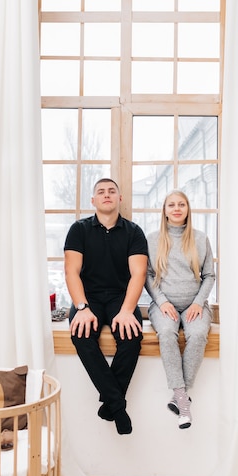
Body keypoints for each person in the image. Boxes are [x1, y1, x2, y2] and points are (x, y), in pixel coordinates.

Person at [64, 178, 148, 435]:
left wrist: (125, 311)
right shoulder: (79, 229)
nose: (107, 194)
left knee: (131, 336)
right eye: (101, 191)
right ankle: (117, 406)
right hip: (87, 297)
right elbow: (71, 271)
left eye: (112, 190)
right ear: (93, 200)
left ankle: (110, 404)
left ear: (120, 198)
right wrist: (81, 307)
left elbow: (139, 274)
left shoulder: (134, 232)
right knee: (81, 333)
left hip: (120, 298)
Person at [145, 190, 215, 429]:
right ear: (164, 210)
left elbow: (209, 275)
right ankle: (183, 402)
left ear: (187, 209)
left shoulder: (200, 238)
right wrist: (162, 302)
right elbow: (147, 275)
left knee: (196, 335)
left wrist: (198, 302)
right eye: (171, 205)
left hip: (195, 305)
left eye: (181, 204)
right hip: (163, 305)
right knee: (166, 333)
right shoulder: (153, 239)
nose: (176, 208)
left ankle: (179, 396)